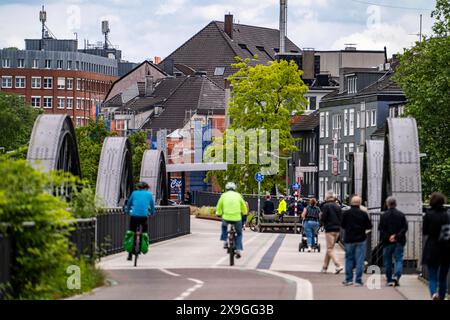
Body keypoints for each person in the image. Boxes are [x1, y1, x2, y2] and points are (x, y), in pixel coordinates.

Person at [422, 192, 450, 300]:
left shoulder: (429, 215)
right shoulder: (446, 215)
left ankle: (434, 293)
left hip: (432, 248)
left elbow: (425, 231)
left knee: (432, 276)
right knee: (442, 278)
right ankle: (442, 297)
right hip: (446, 249)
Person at [341, 195, 372, 286]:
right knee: (360, 260)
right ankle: (358, 280)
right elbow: (369, 226)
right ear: (359, 203)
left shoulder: (346, 213)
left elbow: (342, 225)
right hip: (361, 239)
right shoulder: (363, 214)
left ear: (351, 202)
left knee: (349, 259)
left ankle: (349, 279)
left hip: (349, 239)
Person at [379, 196, 408, 287]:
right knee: (398, 259)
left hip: (387, 242)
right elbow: (404, 228)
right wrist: (396, 236)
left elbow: (381, 229)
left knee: (387, 261)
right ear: (395, 204)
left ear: (387, 204)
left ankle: (389, 280)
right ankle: (397, 275)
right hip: (399, 241)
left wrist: (389, 237)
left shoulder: (383, 216)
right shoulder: (401, 215)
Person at [125, 181, 156, 261]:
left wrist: (127, 211)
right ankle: (143, 246)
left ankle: (129, 254)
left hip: (134, 216)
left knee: (131, 232)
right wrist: (152, 213)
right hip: (143, 217)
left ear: (138, 187)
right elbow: (152, 206)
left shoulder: (134, 193)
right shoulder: (149, 194)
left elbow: (129, 204)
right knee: (144, 232)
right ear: (146, 188)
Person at [216, 182, 247, 258]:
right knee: (239, 233)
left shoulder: (223, 196)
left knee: (224, 227)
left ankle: (225, 241)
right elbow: (243, 206)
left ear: (226, 189)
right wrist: (245, 213)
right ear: (234, 188)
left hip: (226, 217)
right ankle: (238, 249)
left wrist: (219, 213)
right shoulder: (238, 195)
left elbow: (219, 206)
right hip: (237, 218)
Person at [320, 191, 344, 274]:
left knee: (330, 249)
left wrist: (322, 222)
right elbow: (341, 218)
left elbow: (323, 218)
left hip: (329, 229)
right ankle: (324, 267)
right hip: (337, 230)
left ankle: (338, 265)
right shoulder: (338, 207)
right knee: (330, 248)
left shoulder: (326, 206)